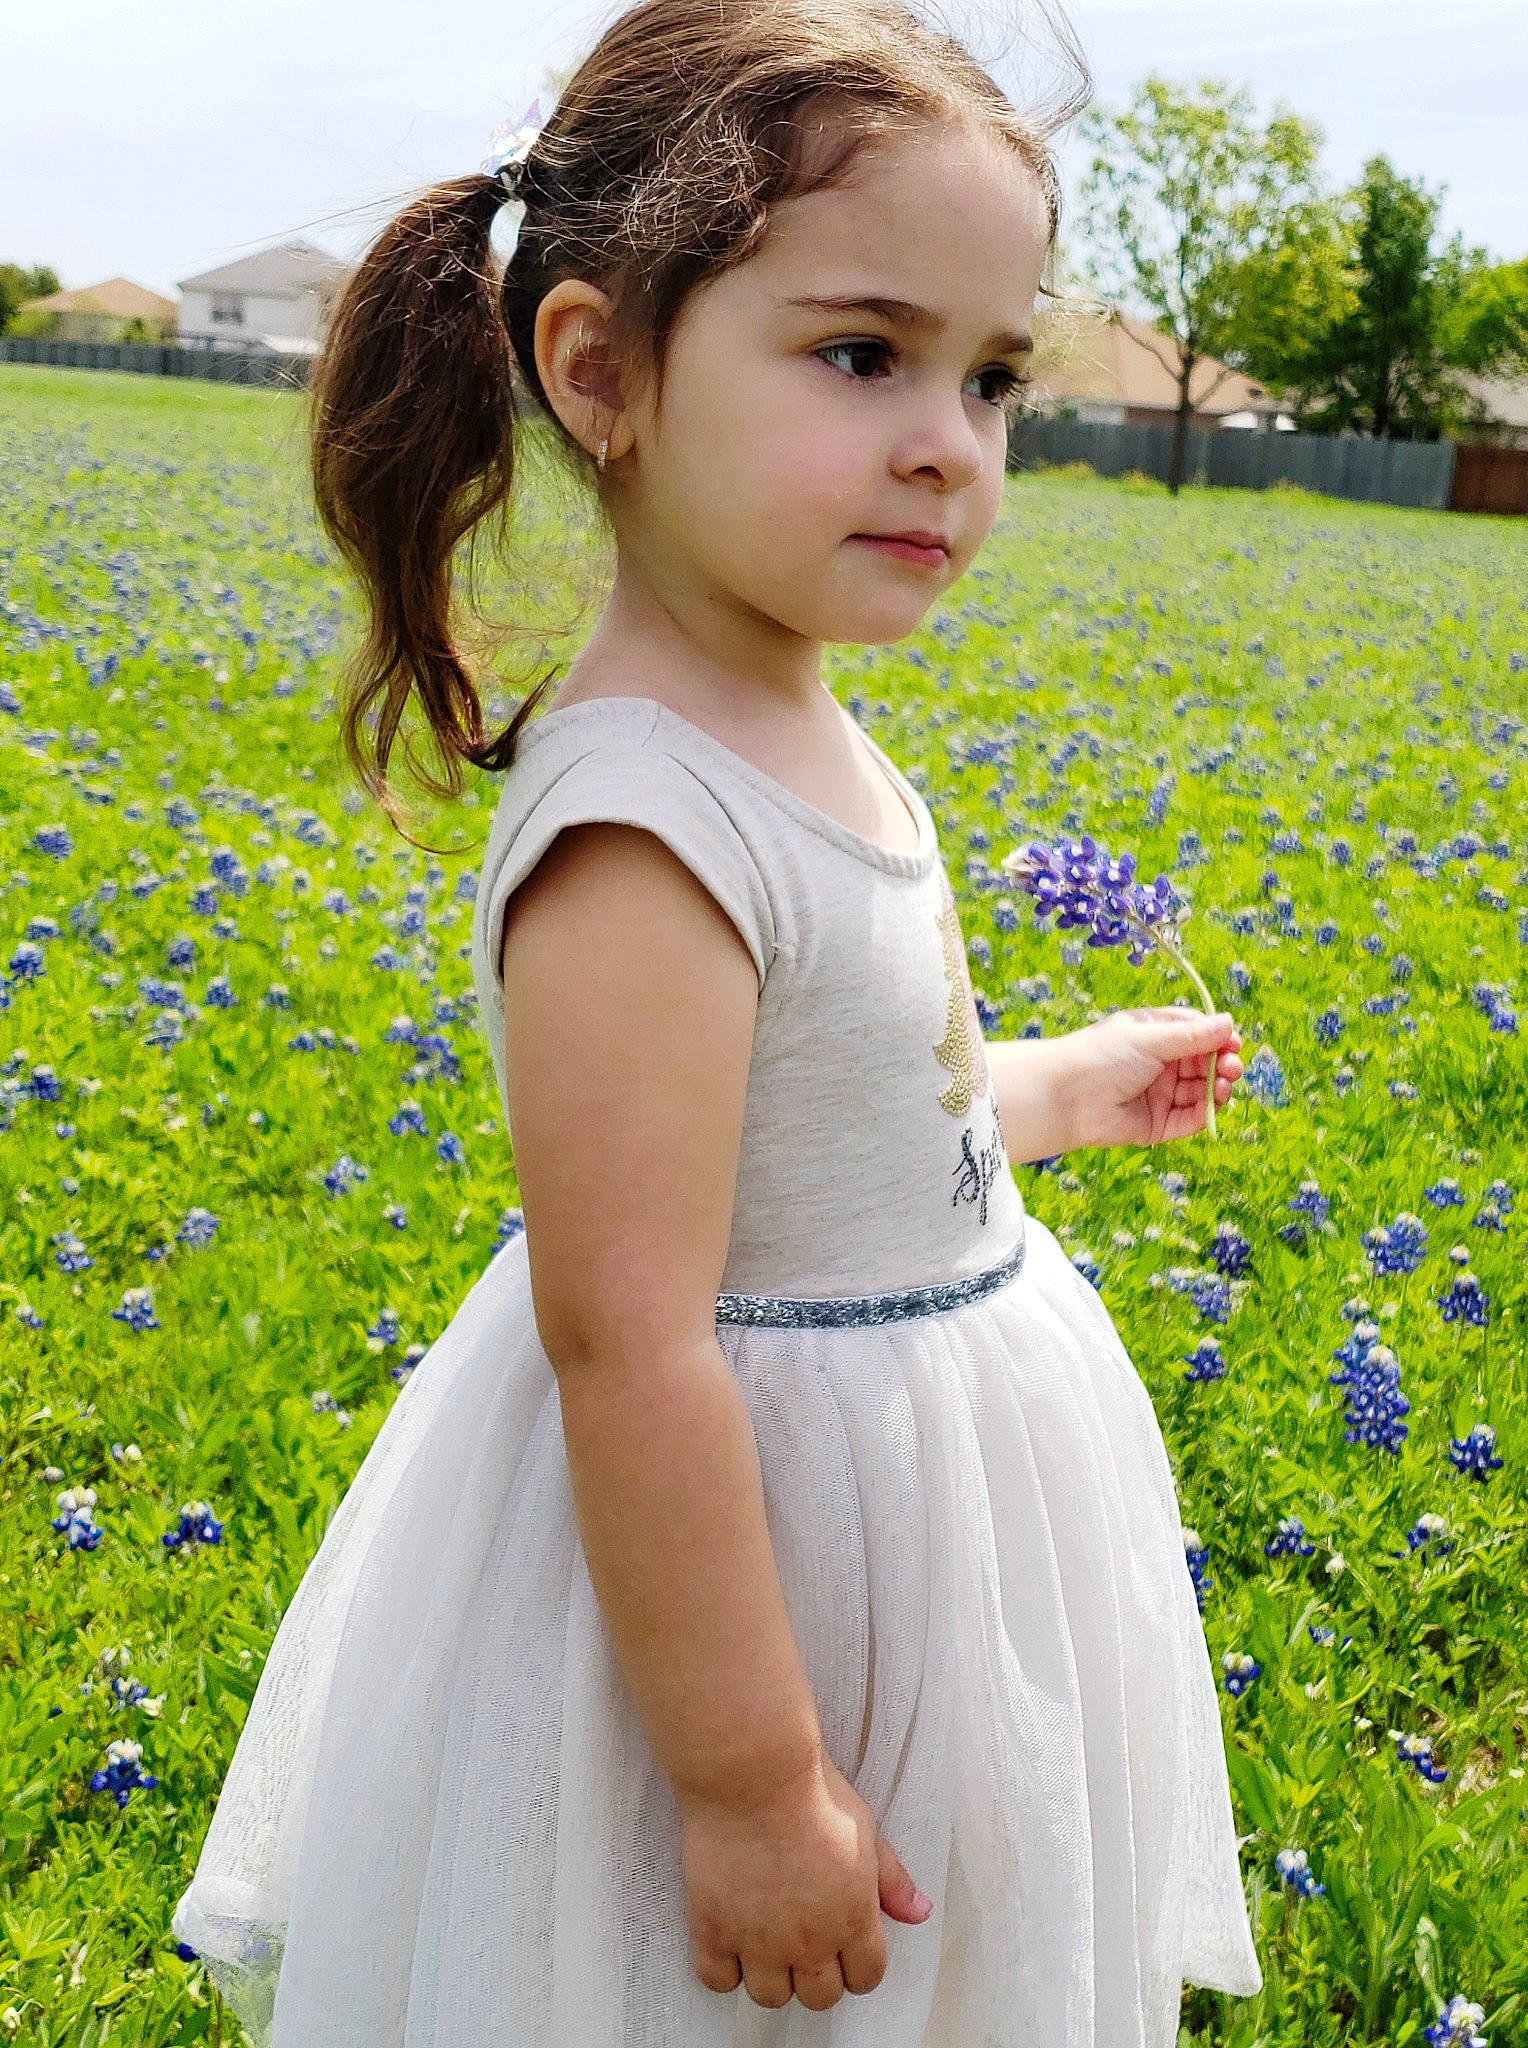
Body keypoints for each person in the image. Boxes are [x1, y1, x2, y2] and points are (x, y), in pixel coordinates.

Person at [170, 0, 1265, 2040]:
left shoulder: (803, 729)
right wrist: (751, 1778)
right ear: (602, 371)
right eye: (866, 354)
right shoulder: (640, 831)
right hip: (752, 1569)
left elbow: (847, 1132)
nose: (952, 435)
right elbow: (632, 1335)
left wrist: (1048, 1093)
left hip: (903, 1505)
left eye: (993, 372)